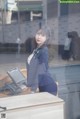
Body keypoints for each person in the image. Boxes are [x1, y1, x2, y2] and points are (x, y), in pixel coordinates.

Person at [26, 27, 57, 95]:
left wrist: (33, 88)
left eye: (42, 35)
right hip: (41, 85)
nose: (39, 37)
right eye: (38, 34)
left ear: (47, 38)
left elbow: (41, 71)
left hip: (47, 86)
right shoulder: (37, 49)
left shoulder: (44, 50)